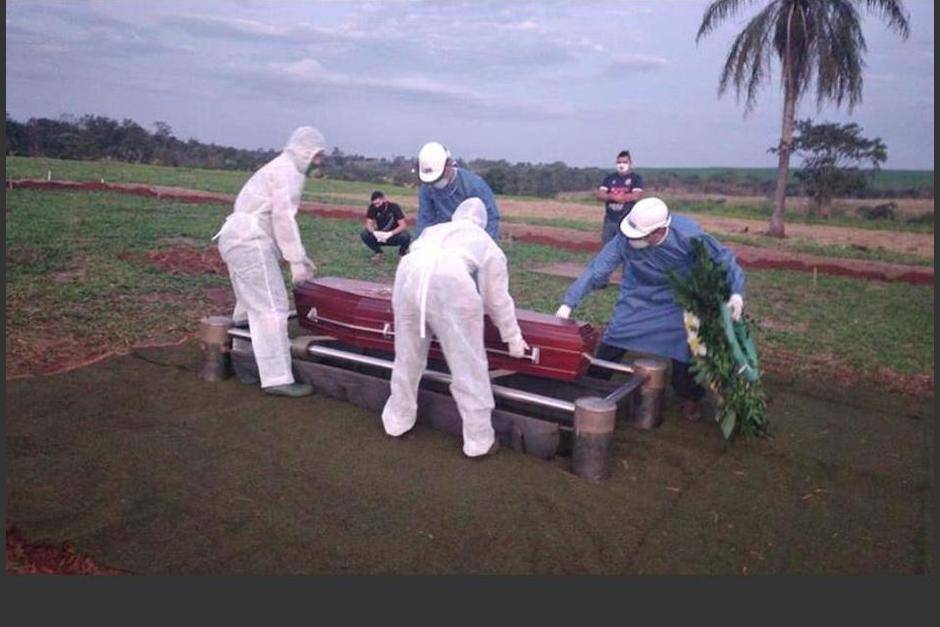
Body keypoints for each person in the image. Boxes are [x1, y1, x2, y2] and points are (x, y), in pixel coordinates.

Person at [554, 197, 746, 423]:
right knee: (615, 336)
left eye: (641, 236)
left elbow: (723, 260)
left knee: (686, 347)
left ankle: (689, 396)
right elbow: (598, 269)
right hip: (639, 295)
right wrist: (568, 304)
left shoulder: (688, 236)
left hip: (679, 299)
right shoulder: (624, 239)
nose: (634, 240)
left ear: (660, 230)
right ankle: (593, 385)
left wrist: (735, 293)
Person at [382, 197, 529, 458]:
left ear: (456, 216)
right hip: (450, 279)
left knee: (407, 357)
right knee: (468, 365)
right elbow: (496, 298)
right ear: (482, 222)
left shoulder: (433, 230)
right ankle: (479, 440)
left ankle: (397, 422)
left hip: (409, 274)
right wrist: (512, 336)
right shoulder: (486, 243)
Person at [213, 126, 327, 398]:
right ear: (306, 151)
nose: (320, 162)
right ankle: (276, 377)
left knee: (249, 304)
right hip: (249, 241)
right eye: (318, 156)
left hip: (236, 238)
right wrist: (295, 260)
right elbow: (283, 219)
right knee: (272, 308)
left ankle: (245, 362)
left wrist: (298, 257)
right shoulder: (288, 172)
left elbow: (274, 220)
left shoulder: (281, 167)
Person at [414, 141, 500, 241]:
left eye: (439, 178)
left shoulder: (474, 185)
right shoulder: (427, 188)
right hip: (443, 236)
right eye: (432, 181)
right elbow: (425, 220)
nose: (435, 184)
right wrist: (418, 245)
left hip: (472, 236)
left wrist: (485, 246)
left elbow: (491, 218)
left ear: (449, 165)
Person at [597, 150, 644, 246]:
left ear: (630, 163)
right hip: (610, 219)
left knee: (627, 247)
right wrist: (611, 196)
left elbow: (635, 196)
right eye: (619, 162)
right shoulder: (609, 178)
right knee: (607, 246)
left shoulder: (636, 179)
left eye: (625, 162)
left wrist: (621, 198)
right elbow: (600, 194)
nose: (621, 165)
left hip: (627, 220)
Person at [360, 190, 412, 263]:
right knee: (364, 234)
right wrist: (374, 233)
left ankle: (402, 254)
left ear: (384, 199)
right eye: (374, 204)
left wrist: (390, 234)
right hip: (380, 235)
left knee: (406, 236)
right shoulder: (372, 207)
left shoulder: (394, 207)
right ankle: (378, 252)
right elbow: (368, 223)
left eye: (378, 203)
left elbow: (403, 225)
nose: (376, 206)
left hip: (394, 235)